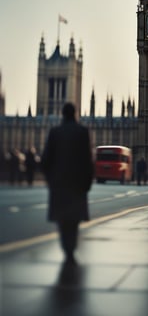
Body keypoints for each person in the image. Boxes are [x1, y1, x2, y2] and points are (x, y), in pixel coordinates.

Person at [41, 102, 94, 265]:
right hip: (77, 184)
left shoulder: (55, 132)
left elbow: (45, 161)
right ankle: (71, 249)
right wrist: (87, 183)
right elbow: (88, 161)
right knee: (74, 219)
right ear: (75, 114)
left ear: (62, 114)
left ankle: (66, 248)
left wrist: (50, 180)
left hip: (59, 184)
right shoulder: (83, 132)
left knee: (62, 219)